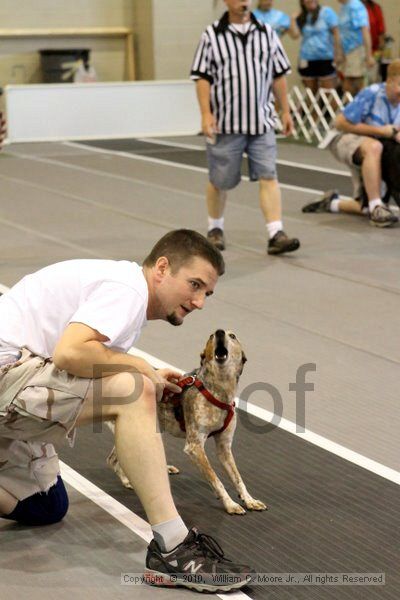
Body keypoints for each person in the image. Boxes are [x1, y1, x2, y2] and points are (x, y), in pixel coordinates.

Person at [0, 229, 255, 593]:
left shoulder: (123, 285)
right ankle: (173, 548)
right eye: (194, 285)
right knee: (134, 394)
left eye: (206, 293)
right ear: (162, 268)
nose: (199, 302)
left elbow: (80, 356)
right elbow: (69, 354)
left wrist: (142, 368)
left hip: (16, 372)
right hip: (7, 370)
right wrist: (138, 370)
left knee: (45, 504)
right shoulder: (130, 290)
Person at [190, 0, 300, 256]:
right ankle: (215, 228)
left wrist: (285, 111)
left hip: (262, 122)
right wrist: (206, 114)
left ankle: (276, 233)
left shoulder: (267, 32)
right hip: (226, 123)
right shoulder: (212, 35)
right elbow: (202, 78)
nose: (245, 2)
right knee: (220, 180)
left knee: (269, 175)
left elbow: (279, 75)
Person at [302, 59, 400, 227]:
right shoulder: (372, 93)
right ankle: (376, 206)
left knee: (364, 206)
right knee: (374, 147)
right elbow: (340, 122)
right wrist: (381, 131)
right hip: (345, 138)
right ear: (390, 80)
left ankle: (333, 203)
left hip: (376, 148)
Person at [291, 0, 342, 93]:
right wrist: (293, 19)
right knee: (311, 93)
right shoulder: (302, 16)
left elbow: (336, 33)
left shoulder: (327, 12)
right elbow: (295, 35)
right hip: (306, 58)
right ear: (302, 2)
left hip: (326, 57)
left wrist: (338, 53)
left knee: (329, 93)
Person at [336, 0, 375, 95]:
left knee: (355, 83)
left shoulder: (355, 6)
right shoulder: (343, 7)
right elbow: (342, 33)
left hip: (357, 50)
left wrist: (369, 55)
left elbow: (365, 30)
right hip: (347, 52)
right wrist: (340, 53)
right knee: (347, 84)